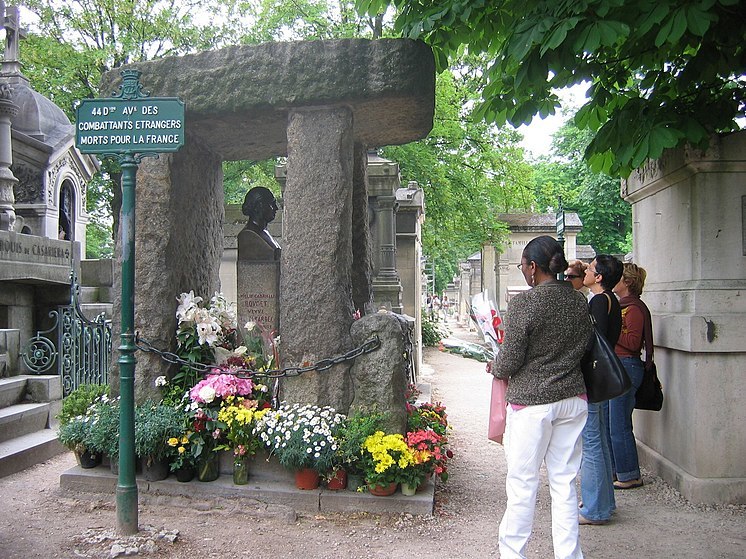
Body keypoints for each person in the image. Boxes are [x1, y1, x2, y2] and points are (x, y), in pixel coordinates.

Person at [490, 235, 592, 559]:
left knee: (523, 484)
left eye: (522, 265)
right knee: (565, 485)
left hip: (533, 404)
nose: (522, 271)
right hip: (573, 399)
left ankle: (513, 554)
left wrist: (495, 364)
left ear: (533, 268)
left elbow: (509, 361)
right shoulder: (578, 301)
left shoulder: (524, 303)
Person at [578, 255, 623, 526]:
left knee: (592, 442)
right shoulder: (611, 301)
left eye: (590, 268)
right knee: (600, 441)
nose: (585, 270)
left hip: (593, 378)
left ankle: (595, 508)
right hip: (604, 378)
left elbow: (591, 340)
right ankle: (604, 502)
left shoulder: (596, 300)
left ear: (600, 277)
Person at [609, 262, 650, 490]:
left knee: (619, 424)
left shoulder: (633, 308)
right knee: (616, 423)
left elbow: (633, 343)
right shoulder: (624, 305)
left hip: (627, 366)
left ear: (627, 282)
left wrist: (610, 330)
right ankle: (621, 471)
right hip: (621, 366)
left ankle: (630, 474)